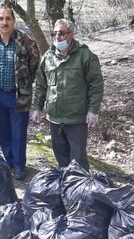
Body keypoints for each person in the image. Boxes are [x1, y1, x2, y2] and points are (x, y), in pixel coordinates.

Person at [31, 19, 104, 170]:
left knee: (78, 161)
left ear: (72, 35)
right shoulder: (48, 57)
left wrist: (93, 111)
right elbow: (41, 85)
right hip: (55, 119)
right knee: (62, 159)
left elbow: (96, 85)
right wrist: (37, 107)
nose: (57, 37)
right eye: (54, 33)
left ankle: (81, 189)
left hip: (76, 119)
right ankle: (66, 186)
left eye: (62, 34)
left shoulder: (85, 55)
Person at [0, 5, 40, 180]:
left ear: (14, 21)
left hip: (18, 95)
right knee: (4, 131)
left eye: (8, 18)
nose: (4, 22)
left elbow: (35, 66)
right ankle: (8, 162)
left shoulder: (26, 42)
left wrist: (24, 84)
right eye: (1, 18)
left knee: (18, 132)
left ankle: (19, 165)